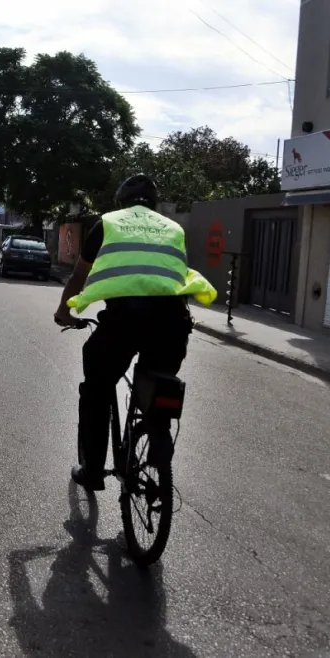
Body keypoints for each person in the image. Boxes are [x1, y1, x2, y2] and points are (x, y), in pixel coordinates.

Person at [53, 174, 217, 492]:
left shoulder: (107, 224)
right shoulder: (174, 228)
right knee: (158, 384)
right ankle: (158, 434)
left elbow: (79, 275)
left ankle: (93, 470)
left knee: (97, 389)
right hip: (172, 324)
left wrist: (64, 312)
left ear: (121, 202)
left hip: (123, 323)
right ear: (153, 204)